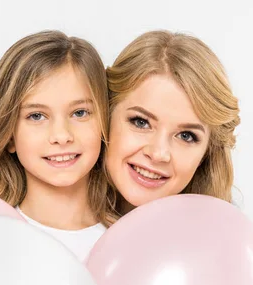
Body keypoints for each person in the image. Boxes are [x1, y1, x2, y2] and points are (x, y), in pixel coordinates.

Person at [0, 30, 110, 262]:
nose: (61, 136)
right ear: (10, 135)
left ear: (104, 119)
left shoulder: (132, 237)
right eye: (36, 116)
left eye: (80, 112)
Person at [103, 30, 241, 225]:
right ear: (106, 113)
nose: (158, 153)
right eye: (141, 122)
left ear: (207, 154)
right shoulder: (50, 233)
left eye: (186, 136)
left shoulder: (222, 241)